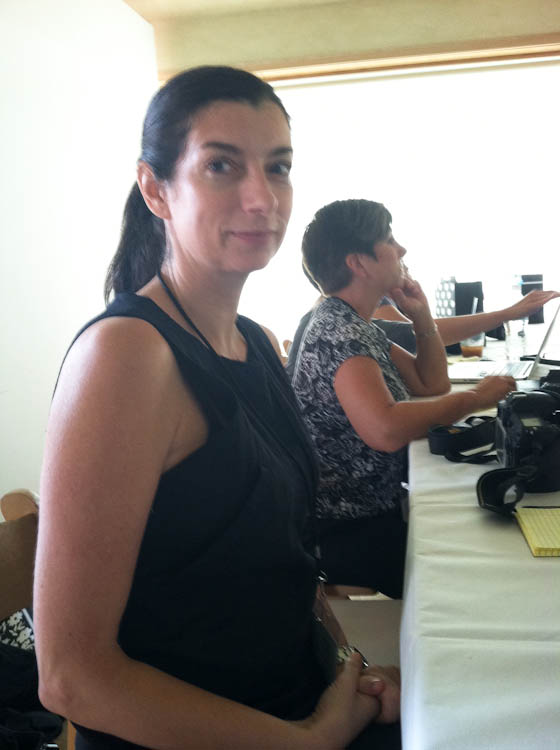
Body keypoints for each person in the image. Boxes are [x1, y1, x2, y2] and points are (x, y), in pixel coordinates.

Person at [33, 68, 400, 750]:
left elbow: (284, 559)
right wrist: (311, 742)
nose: (262, 198)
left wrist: (346, 669)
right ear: (155, 189)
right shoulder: (127, 357)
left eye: (279, 167)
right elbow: (72, 677)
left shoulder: (257, 343)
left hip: (292, 702)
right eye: (222, 166)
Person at [291, 199, 516, 599]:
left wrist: (422, 315)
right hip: (346, 526)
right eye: (389, 240)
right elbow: (386, 429)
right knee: (484, 565)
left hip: (373, 509)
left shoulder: (357, 325)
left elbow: (432, 385)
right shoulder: (338, 332)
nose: (402, 250)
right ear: (358, 262)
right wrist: (478, 397)